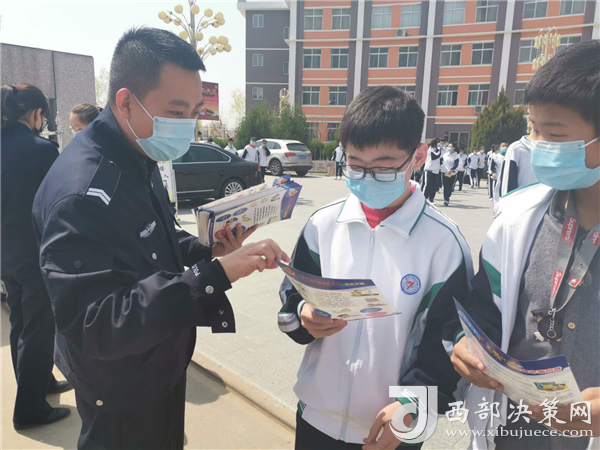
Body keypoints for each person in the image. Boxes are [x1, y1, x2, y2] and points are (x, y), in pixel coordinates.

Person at [32, 27, 290, 449]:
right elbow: (93, 323)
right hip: (119, 384)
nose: (187, 124)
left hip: (155, 360)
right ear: (125, 102)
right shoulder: (83, 193)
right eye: (175, 111)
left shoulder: (138, 152)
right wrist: (213, 275)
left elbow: (154, 235)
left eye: (194, 111)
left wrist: (208, 248)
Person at [278, 86, 473, 450]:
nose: (367, 177)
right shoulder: (323, 225)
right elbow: (293, 294)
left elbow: (450, 342)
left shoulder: (444, 243)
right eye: (355, 165)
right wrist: (304, 314)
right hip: (316, 416)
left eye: (384, 167)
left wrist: (412, 406)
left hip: (394, 427)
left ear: (418, 156)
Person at [451, 40, 600, 450]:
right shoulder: (517, 218)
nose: (538, 144)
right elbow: (484, 304)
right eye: (533, 129)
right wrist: (465, 342)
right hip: (513, 430)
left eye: (555, 135)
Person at [1, 83, 72, 430]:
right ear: (36, 114)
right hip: (36, 253)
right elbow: (60, 205)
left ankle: (39, 383)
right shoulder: (42, 150)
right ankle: (30, 409)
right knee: (40, 329)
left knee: (20, 321)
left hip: (6, 253)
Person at [422, 137, 441, 203]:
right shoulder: (430, 150)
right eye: (438, 142)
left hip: (436, 171)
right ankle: (423, 198)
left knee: (434, 186)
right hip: (429, 170)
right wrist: (440, 149)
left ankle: (431, 198)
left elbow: (441, 156)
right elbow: (435, 156)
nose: (439, 144)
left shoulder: (437, 150)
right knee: (428, 185)